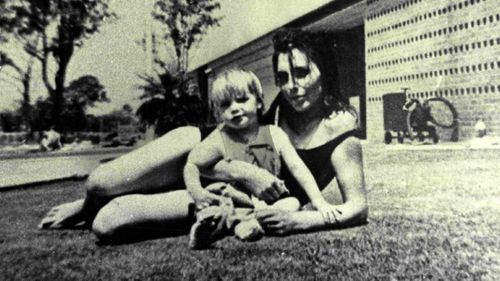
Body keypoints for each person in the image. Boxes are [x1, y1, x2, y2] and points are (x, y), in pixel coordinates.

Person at [39, 28, 367, 242]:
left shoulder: (341, 133)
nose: (292, 86)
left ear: (324, 70)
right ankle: (86, 204)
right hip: (202, 147)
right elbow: (216, 156)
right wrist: (245, 170)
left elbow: (357, 207)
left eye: (302, 73)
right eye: (283, 76)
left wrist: (304, 222)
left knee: (110, 223)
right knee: (99, 182)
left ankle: (97, 209)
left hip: (222, 194)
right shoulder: (278, 107)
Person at [186, 69, 337, 249]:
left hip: (270, 202)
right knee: (217, 206)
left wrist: (319, 201)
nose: (234, 108)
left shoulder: (274, 133)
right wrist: (197, 193)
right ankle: (207, 232)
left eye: (242, 100)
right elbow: (192, 164)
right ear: (218, 113)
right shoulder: (220, 138)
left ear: (258, 101)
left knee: (292, 202)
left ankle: (252, 224)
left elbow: (298, 167)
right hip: (236, 199)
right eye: (225, 105)